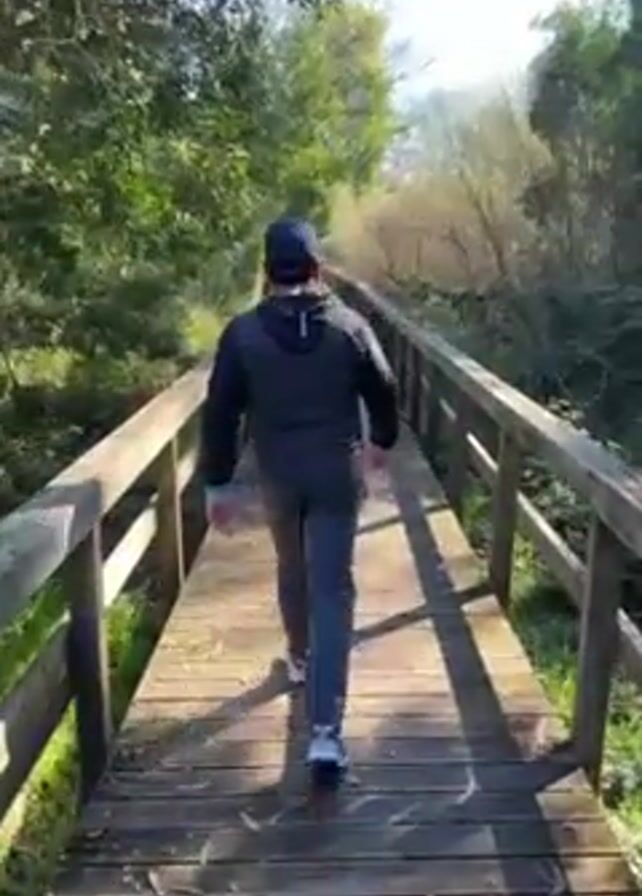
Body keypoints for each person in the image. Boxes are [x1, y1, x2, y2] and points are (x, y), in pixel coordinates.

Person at [200, 216, 398, 774]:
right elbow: (384, 387)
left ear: (268, 271)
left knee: (291, 563)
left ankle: (299, 657)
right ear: (316, 267)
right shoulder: (349, 326)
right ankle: (326, 733)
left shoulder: (242, 334)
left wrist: (217, 483)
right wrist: (381, 443)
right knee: (333, 590)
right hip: (337, 472)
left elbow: (220, 413)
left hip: (279, 474)